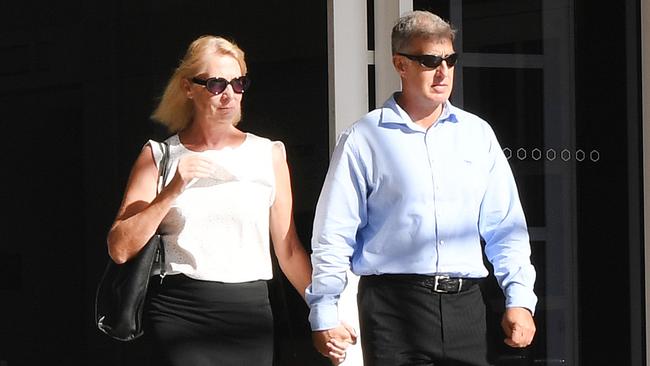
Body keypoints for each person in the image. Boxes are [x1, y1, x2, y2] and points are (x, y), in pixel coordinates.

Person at [307, 10, 537, 366]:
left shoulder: (477, 135)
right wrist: (324, 309)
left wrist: (519, 298)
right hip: (393, 306)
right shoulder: (364, 138)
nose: (443, 71)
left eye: (449, 59)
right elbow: (333, 233)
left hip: (466, 305)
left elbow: (505, 226)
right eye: (429, 61)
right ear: (400, 64)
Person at [105, 35, 339, 366]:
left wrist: (326, 311)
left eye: (238, 83)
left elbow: (288, 249)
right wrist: (173, 189)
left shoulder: (267, 154)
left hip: (250, 313)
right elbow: (120, 247)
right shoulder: (161, 155)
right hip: (180, 310)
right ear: (188, 88)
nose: (229, 94)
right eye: (216, 84)